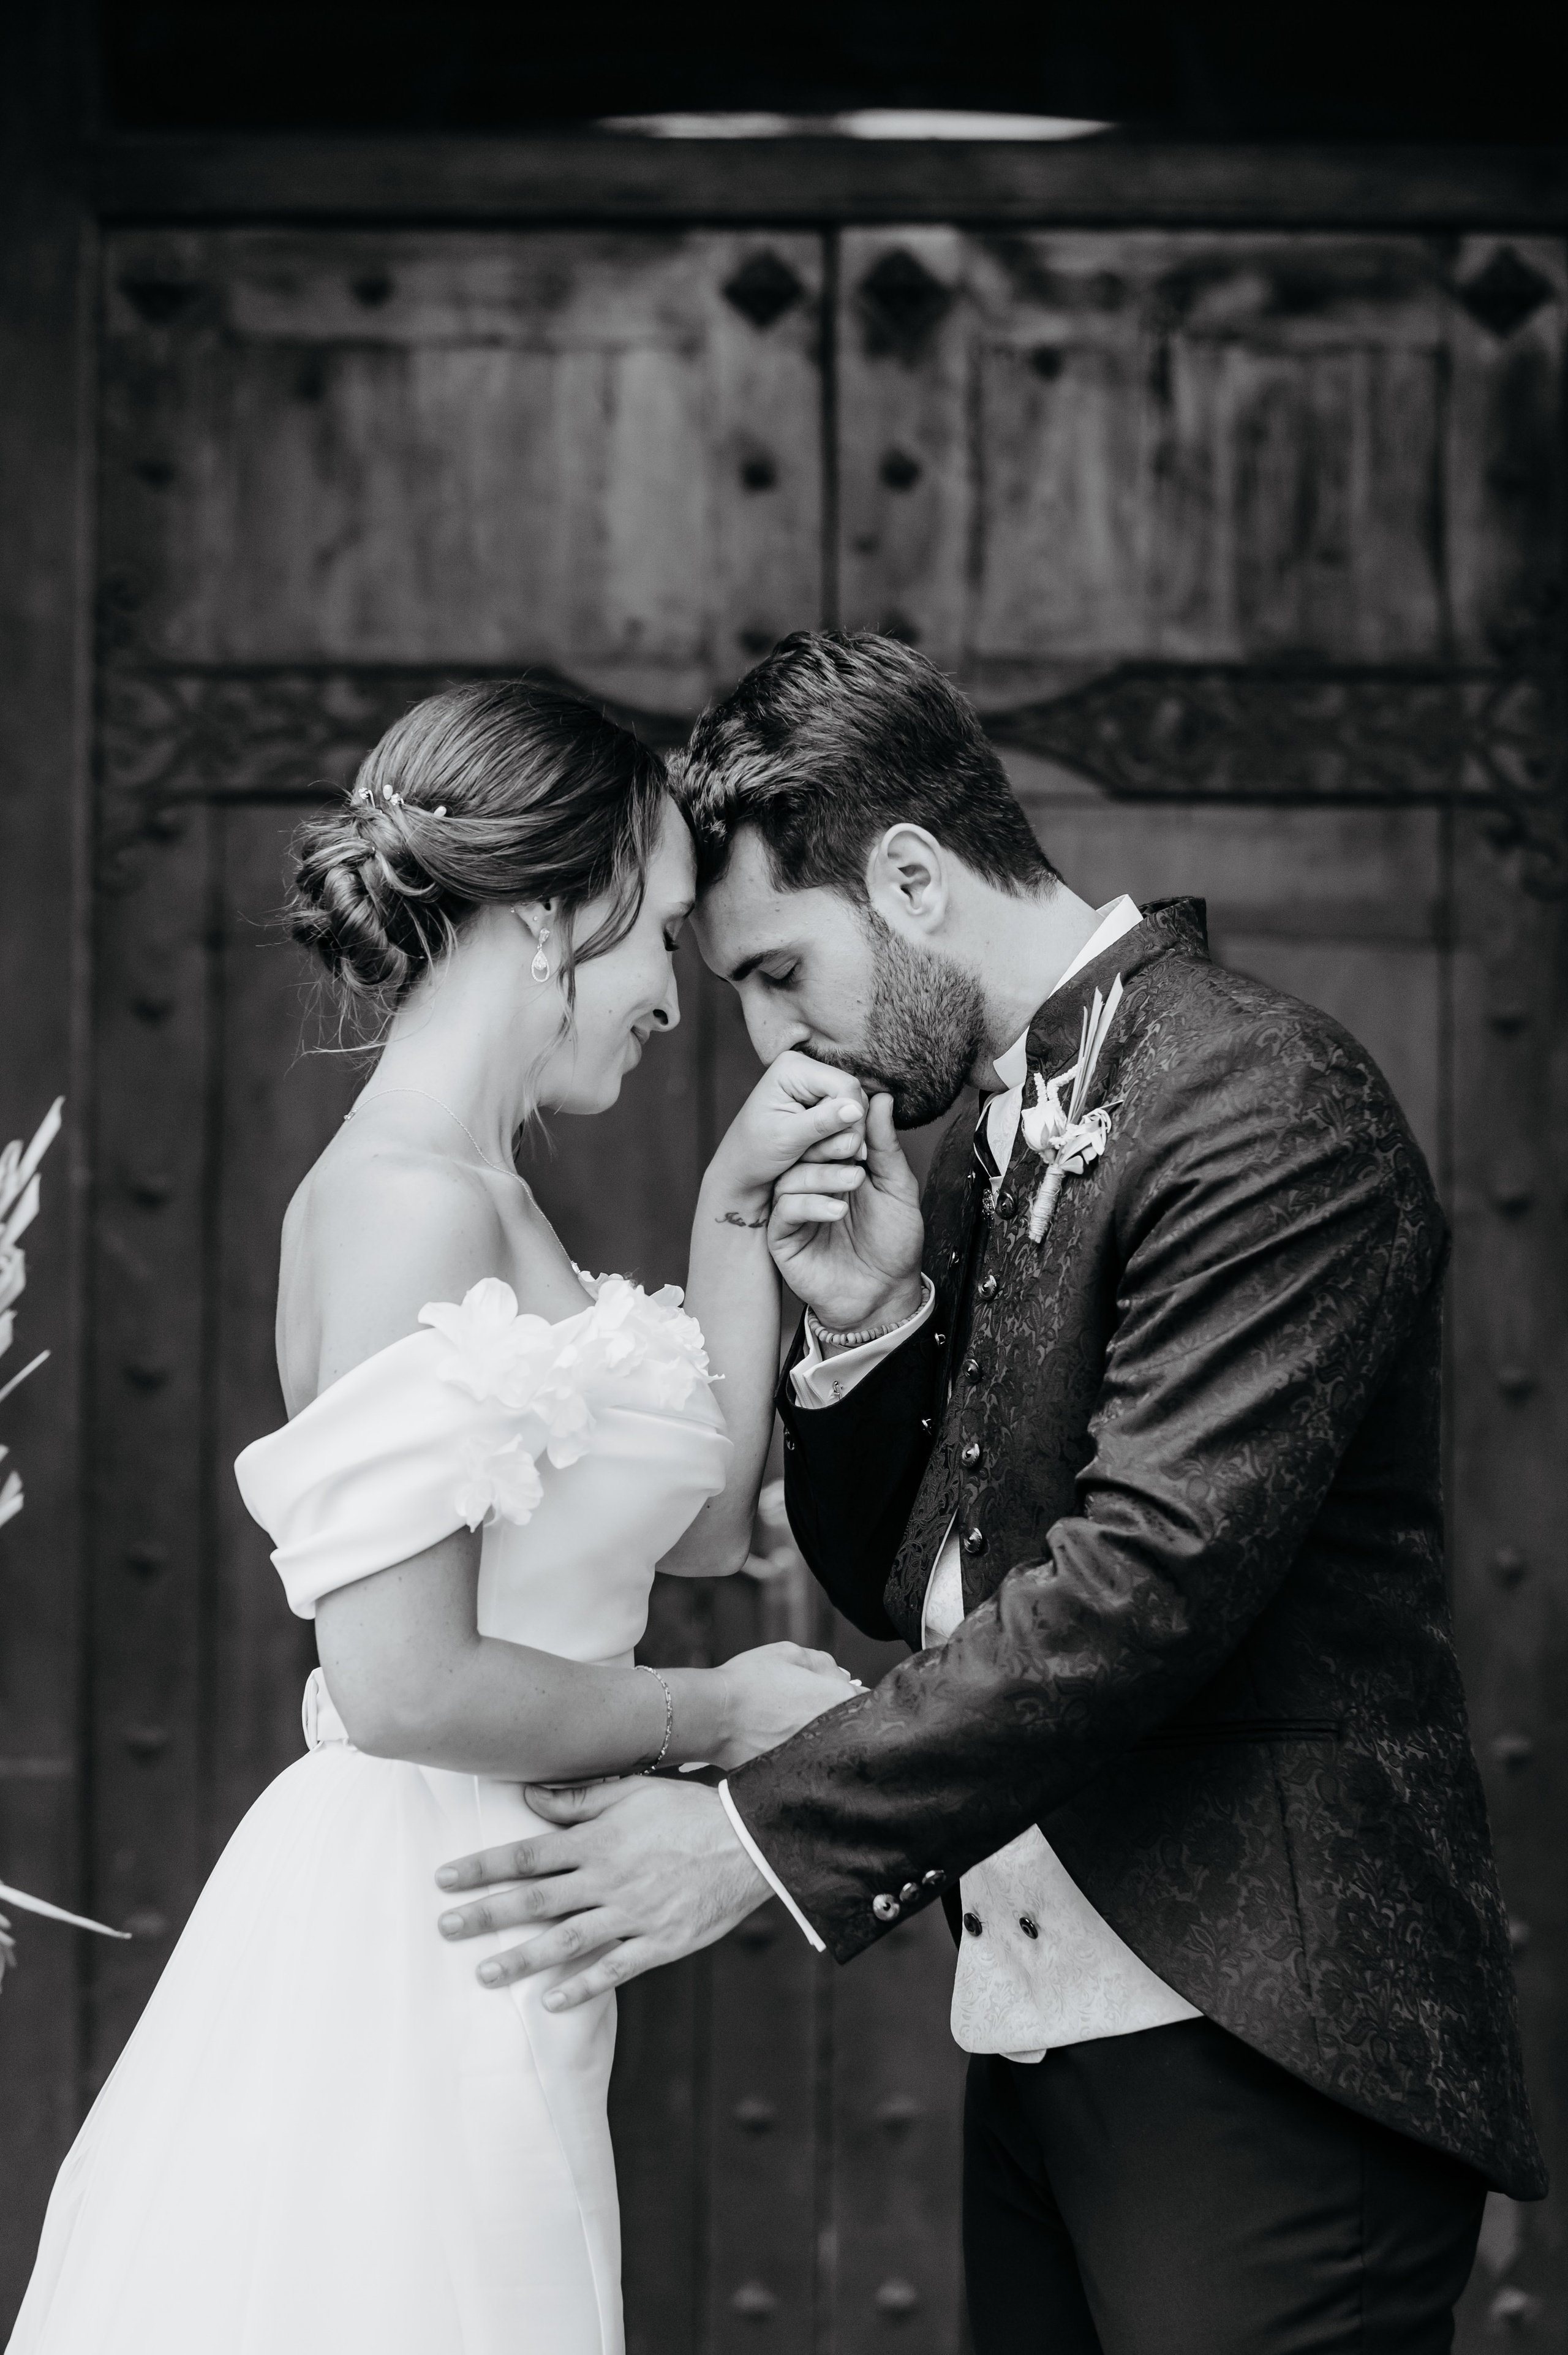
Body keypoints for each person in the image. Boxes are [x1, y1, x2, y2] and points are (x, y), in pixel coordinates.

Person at [435, 633, 1547, 2354]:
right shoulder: (970, 1147)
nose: (772, 1042)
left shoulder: (1264, 1097)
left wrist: (750, 1836)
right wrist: (867, 1325)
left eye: (783, 972)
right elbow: (909, 1586)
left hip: (1266, 2036)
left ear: (910, 879)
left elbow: (1144, 1585)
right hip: (1032, 2031)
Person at [6, 679, 867, 2355]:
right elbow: (400, 1678)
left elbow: (694, 1530)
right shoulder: (405, 1206)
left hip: (504, 1902)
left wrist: (734, 1201)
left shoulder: (489, 1196)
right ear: (552, 910)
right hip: (420, 1912)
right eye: (659, 938)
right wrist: (716, 1714)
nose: (671, 999)